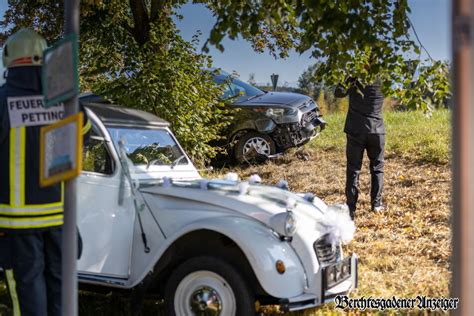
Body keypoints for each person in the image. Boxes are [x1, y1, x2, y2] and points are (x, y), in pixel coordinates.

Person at [0, 28, 90, 316]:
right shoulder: (66, 100)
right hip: (59, 215)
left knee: (27, 291)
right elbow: (84, 133)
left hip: (17, 222)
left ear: (8, 60)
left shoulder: (1, 101)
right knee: (62, 286)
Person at [335, 76, 385, 219]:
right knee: (377, 168)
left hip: (355, 129)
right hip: (377, 129)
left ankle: (351, 208)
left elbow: (338, 93)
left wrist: (344, 76)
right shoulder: (383, 78)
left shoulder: (353, 78)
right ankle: (376, 204)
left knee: (353, 169)